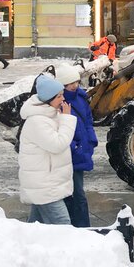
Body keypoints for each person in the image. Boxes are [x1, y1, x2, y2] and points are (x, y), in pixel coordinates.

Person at [18, 73, 77, 225]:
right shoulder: (37, 121)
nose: (63, 99)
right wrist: (67, 119)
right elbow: (57, 145)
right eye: (59, 96)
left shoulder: (49, 115)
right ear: (48, 99)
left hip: (46, 184)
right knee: (63, 226)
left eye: (62, 95)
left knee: (35, 228)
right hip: (45, 186)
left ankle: (23, 247)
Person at [57, 63, 98, 228]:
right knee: (74, 193)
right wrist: (74, 147)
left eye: (76, 81)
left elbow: (88, 121)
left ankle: (80, 226)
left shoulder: (81, 98)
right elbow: (59, 127)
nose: (75, 85)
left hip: (81, 150)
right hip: (70, 152)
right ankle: (77, 227)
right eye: (70, 83)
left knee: (78, 192)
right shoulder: (59, 102)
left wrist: (91, 140)